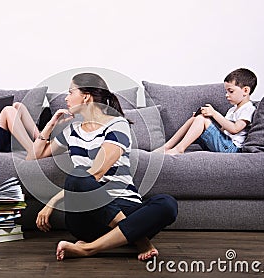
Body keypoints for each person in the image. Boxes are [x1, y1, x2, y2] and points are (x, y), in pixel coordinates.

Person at [31, 73, 178, 261]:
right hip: (87, 216)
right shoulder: (72, 130)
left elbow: (97, 172)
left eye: (70, 92)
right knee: (78, 175)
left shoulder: (118, 124)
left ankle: (89, 248)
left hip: (124, 204)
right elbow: (34, 155)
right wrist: (51, 124)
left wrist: (52, 201)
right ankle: (137, 237)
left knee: (167, 204)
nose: (66, 98)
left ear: (86, 96)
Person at [161, 68, 257, 155]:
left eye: (230, 91)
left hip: (232, 149)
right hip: (223, 144)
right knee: (196, 118)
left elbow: (235, 129)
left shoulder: (248, 108)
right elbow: (223, 131)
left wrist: (214, 114)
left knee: (201, 120)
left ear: (245, 90)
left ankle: (179, 149)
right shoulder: (232, 110)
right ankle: (166, 147)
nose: (226, 95)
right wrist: (204, 121)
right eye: (226, 91)